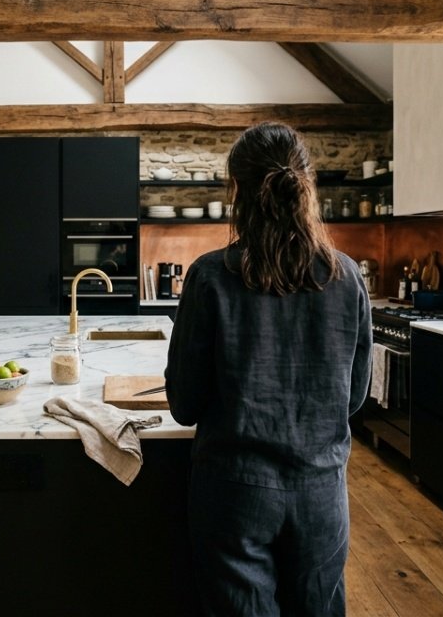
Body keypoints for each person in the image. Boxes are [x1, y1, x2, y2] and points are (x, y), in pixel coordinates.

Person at [165, 122, 373, 616]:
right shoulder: (347, 277)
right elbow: (355, 397)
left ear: (236, 191)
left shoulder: (210, 276)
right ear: (306, 185)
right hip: (321, 491)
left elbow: (184, 404)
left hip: (234, 493)